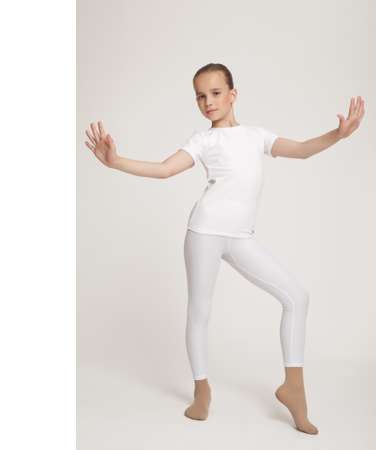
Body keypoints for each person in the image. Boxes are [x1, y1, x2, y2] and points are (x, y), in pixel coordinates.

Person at [84, 62, 365, 435]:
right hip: (203, 232)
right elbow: (165, 170)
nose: (208, 102)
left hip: (240, 237)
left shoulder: (256, 136)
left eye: (215, 93)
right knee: (200, 311)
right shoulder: (203, 141)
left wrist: (338, 135)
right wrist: (116, 161)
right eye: (200, 96)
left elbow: (300, 150)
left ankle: (293, 388)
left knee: (297, 297)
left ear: (233, 94)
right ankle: (202, 391)